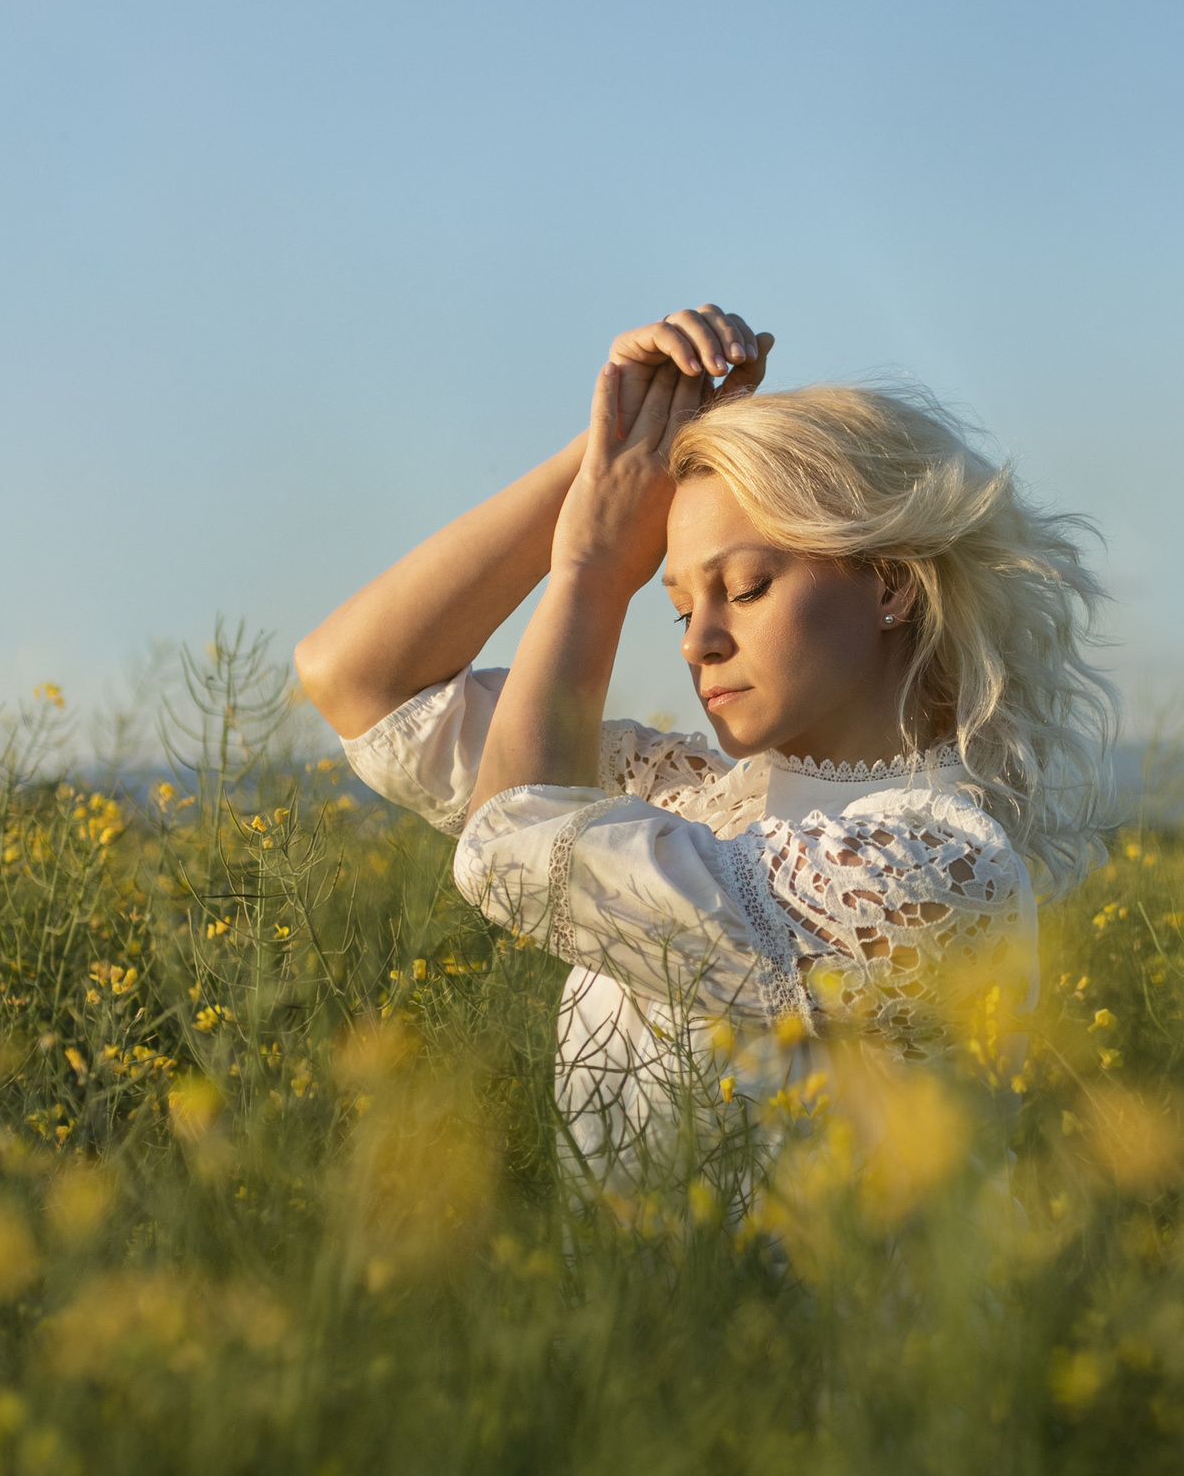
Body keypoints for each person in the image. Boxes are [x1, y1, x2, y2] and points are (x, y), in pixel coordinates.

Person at [293, 305, 1114, 1193]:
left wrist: (596, 569)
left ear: (890, 585)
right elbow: (360, 680)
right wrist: (616, 449)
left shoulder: (942, 863)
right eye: (682, 605)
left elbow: (514, 844)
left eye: (747, 588)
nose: (697, 642)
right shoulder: (691, 800)